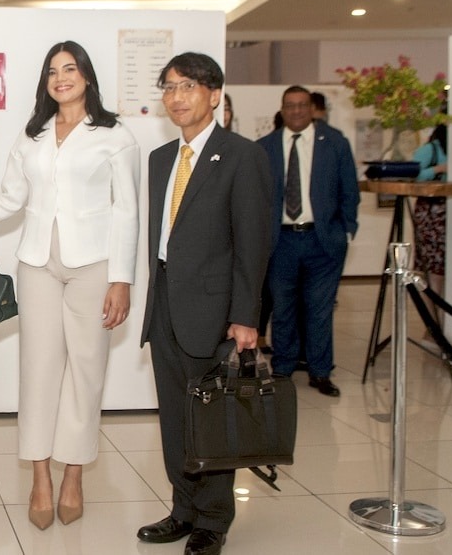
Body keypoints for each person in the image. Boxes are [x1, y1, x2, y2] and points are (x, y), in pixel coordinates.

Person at [0, 41, 140, 530]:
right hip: (37, 262)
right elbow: (9, 199)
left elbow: (127, 210)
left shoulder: (114, 135)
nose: (61, 78)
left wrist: (121, 279)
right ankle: (40, 477)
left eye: (70, 68)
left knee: (86, 370)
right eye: (53, 71)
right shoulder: (31, 134)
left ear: (87, 76)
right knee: (37, 369)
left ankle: (73, 475)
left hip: (93, 265)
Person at [137, 52, 271, 555]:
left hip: (214, 312)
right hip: (165, 305)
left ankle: (214, 519)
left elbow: (252, 244)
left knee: (212, 419)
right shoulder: (160, 159)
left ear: (214, 94)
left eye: (188, 87)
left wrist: (245, 317)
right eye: (169, 88)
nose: (177, 97)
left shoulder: (241, 155)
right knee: (175, 417)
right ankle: (183, 509)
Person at [258, 86, 359, 397]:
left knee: (319, 309)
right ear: (282, 109)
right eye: (290, 105)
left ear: (312, 109)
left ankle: (320, 371)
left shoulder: (335, 143)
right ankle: (283, 368)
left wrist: (347, 230)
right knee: (283, 307)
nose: (297, 111)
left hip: (323, 240)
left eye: (302, 105)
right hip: (281, 242)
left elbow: (349, 190)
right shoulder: (265, 147)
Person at [412, 121, 448, 322]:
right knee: (434, 269)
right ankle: (433, 324)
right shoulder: (430, 149)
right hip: (432, 213)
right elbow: (413, 174)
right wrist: (438, 169)